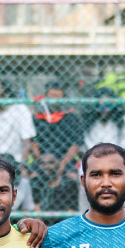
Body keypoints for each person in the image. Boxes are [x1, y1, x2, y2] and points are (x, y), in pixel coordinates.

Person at [28, 82, 86, 212]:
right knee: (33, 176)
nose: (54, 101)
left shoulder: (71, 118)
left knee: (72, 178)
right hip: (43, 159)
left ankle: (70, 211)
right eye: (51, 96)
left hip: (63, 158)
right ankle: (37, 211)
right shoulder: (38, 118)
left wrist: (63, 163)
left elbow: (75, 145)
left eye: (57, 97)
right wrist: (41, 161)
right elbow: (34, 144)